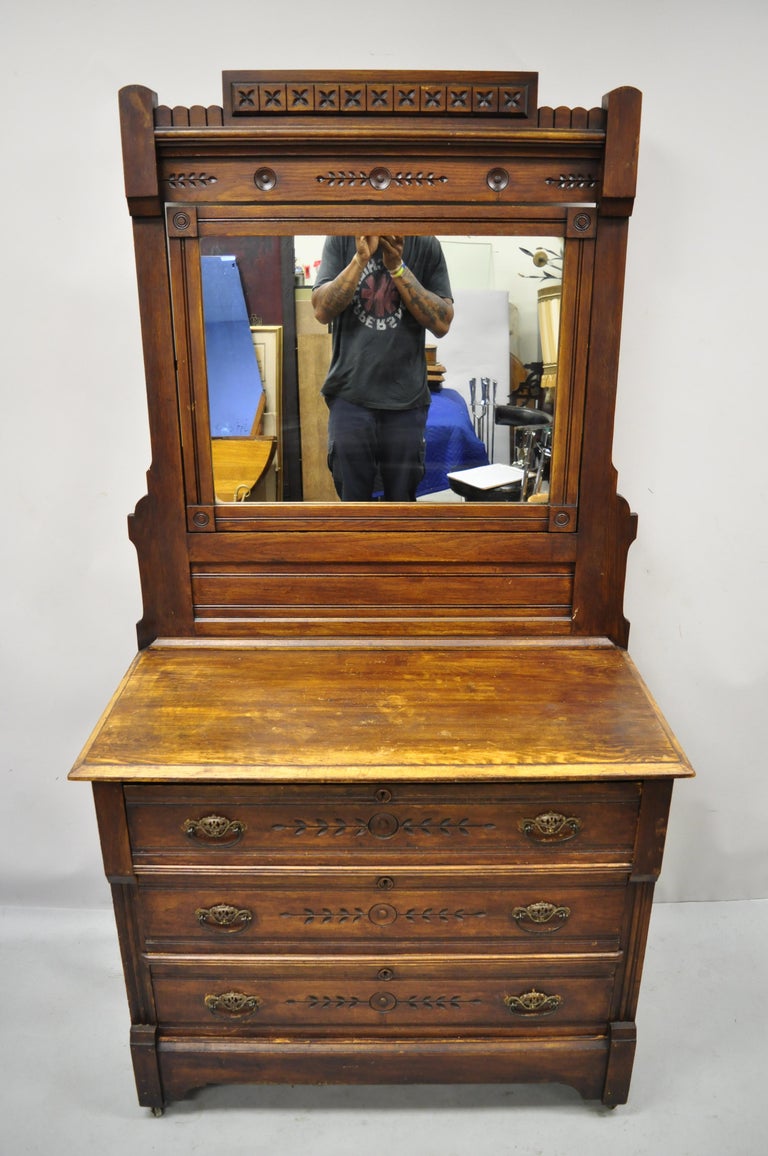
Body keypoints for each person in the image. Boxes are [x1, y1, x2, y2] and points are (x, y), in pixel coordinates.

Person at [312, 234, 454, 501]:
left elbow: (442, 323)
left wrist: (397, 267)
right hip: (350, 396)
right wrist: (360, 260)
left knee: (401, 507)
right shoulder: (342, 238)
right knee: (353, 507)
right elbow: (321, 311)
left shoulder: (425, 243)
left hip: (406, 401)